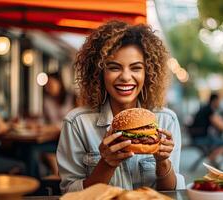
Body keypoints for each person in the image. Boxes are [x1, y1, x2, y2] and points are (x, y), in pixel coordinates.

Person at [57, 21, 185, 193]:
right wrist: (106, 164)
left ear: (148, 73)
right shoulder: (77, 123)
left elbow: (171, 194)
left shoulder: (166, 120)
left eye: (136, 68)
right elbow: (70, 194)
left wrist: (162, 162)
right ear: (99, 73)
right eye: (114, 67)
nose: (125, 77)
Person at [189, 93, 223, 167]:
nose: (219, 103)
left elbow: (219, 120)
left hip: (197, 135)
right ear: (214, 101)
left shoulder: (207, 108)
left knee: (221, 141)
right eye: (219, 101)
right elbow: (221, 126)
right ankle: (211, 160)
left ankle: (212, 160)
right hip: (200, 137)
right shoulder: (209, 109)